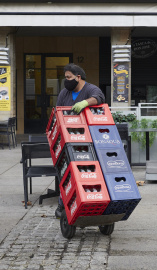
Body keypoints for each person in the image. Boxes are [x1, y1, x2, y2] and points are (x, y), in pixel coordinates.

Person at [55, 63, 105, 218]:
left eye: (69, 77)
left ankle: (90, 202)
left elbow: (99, 97)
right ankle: (63, 205)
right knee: (67, 173)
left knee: (87, 172)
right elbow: (57, 111)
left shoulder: (90, 89)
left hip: (88, 141)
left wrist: (85, 103)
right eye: (65, 78)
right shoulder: (64, 93)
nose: (66, 81)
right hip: (68, 140)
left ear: (78, 77)